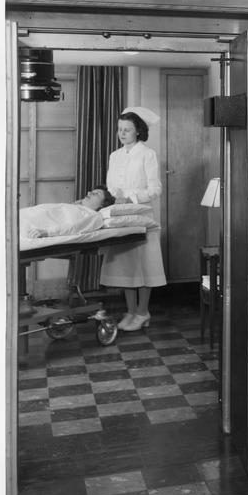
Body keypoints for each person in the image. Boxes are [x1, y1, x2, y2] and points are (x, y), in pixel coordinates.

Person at [99, 107, 166, 331]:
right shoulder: (115, 156)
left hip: (142, 215)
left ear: (138, 131)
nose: (122, 134)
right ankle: (130, 311)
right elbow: (111, 185)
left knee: (144, 264)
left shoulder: (148, 154)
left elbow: (155, 189)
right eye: (119, 129)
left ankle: (143, 312)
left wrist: (131, 197)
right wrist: (115, 196)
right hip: (121, 216)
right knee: (126, 265)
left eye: (127, 130)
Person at [21, 186, 115, 238]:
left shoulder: (94, 216)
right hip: (27, 214)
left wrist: (47, 232)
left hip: (31, 224)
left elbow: (74, 227)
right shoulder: (76, 207)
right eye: (90, 191)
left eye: (96, 193)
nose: (89, 193)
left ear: (103, 204)